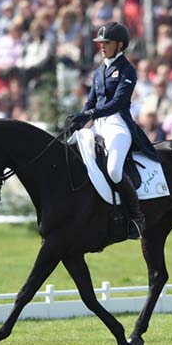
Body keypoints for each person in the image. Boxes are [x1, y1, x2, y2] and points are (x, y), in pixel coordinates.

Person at [68, 22, 159, 239]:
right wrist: (80, 118)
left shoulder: (128, 70)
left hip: (118, 125)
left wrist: (90, 115)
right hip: (98, 125)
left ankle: (136, 218)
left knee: (114, 170)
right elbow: (91, 101)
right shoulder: (100, 71)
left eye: (106, 43)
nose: (102, 46)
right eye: (100, 43)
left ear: (120, 45)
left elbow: (119, 102)